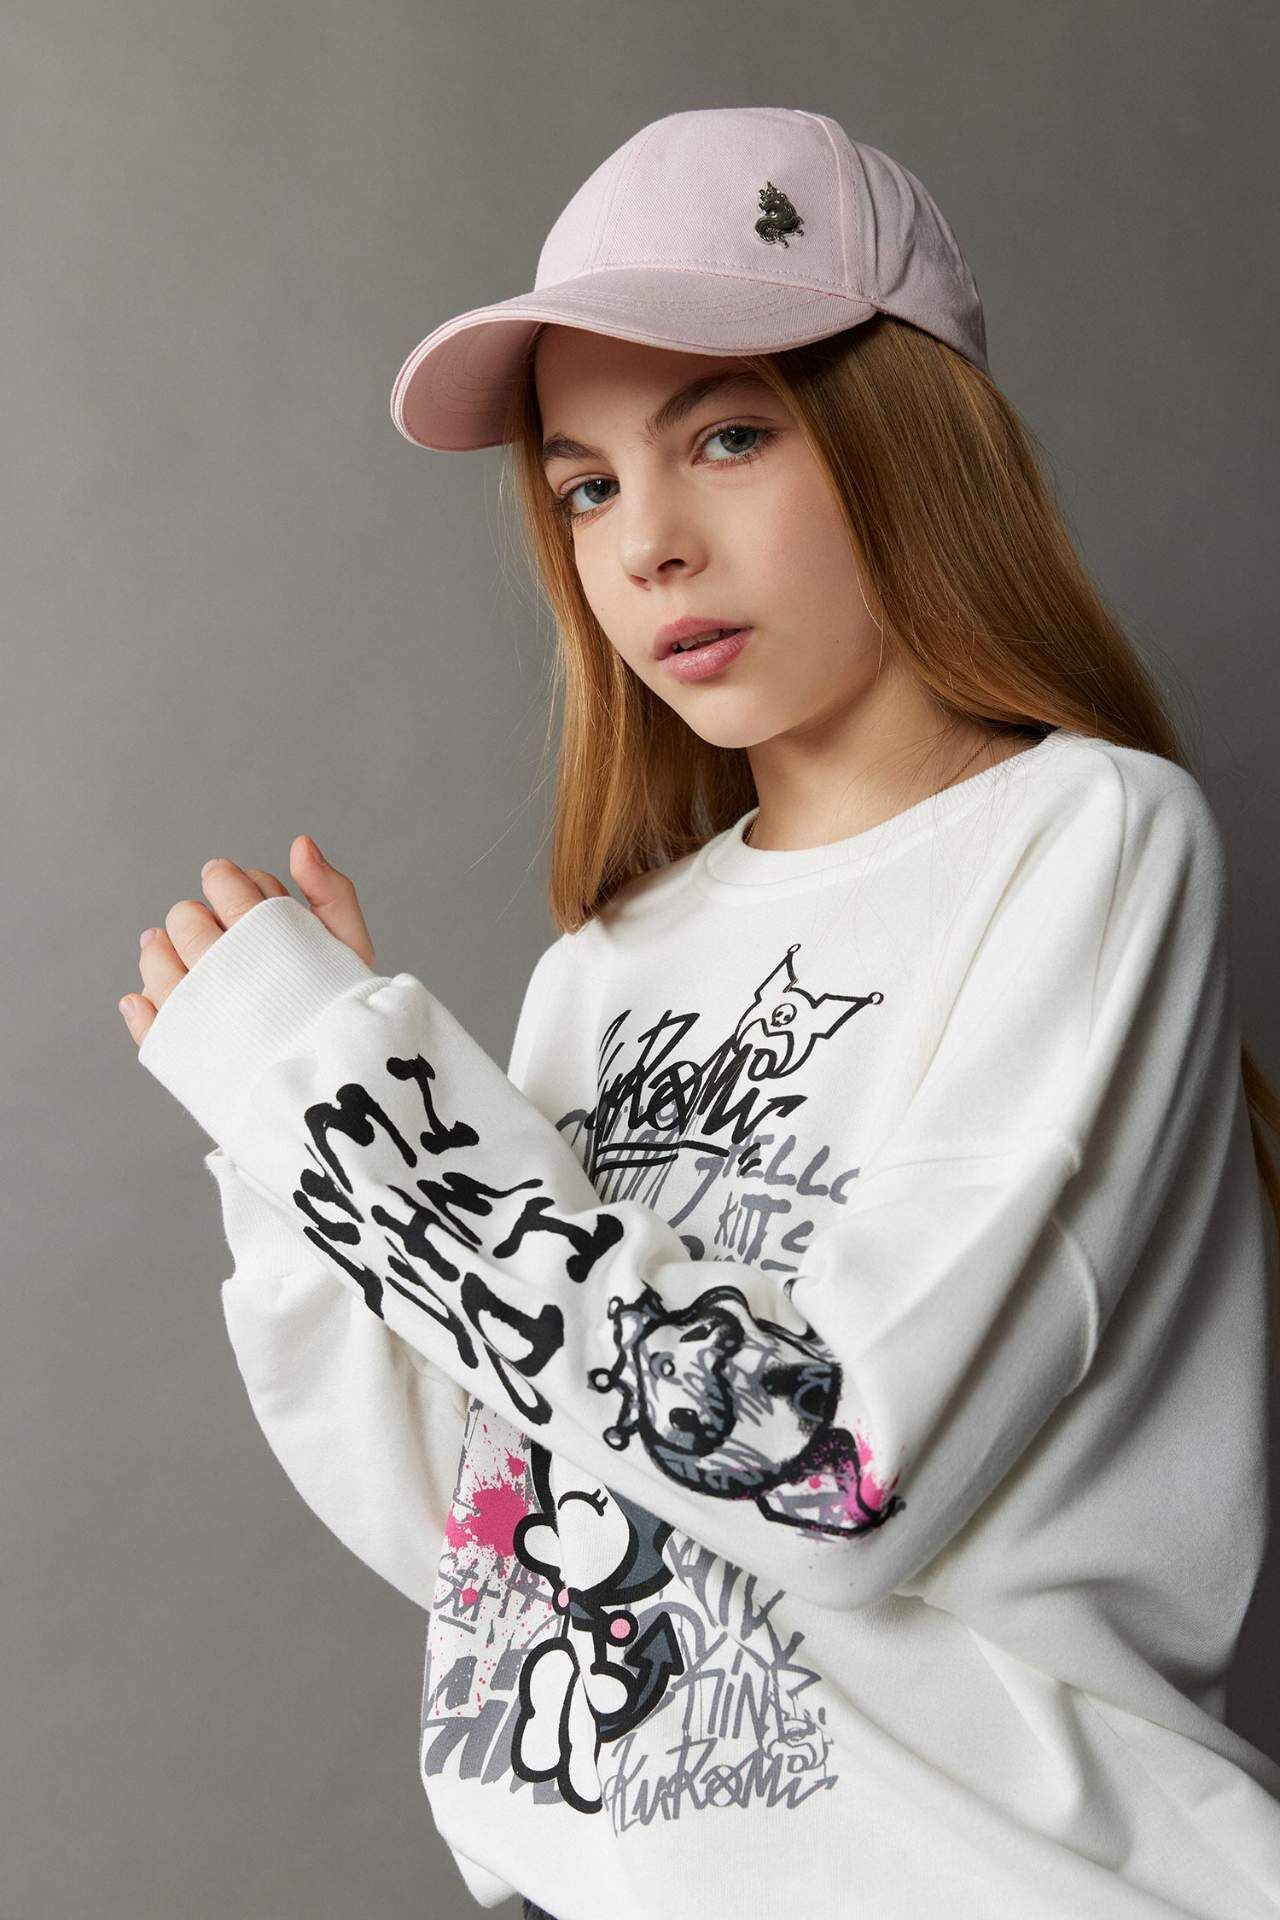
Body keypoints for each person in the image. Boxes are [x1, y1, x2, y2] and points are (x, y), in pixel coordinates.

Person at [120, 108, 1280, 1918]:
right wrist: (299, 1151)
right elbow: (489, 1544)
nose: (647, 545)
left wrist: (365, 1114)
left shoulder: (1089, 840)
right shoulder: (609, 962)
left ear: (908, 439)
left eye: (728, 437)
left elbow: (836, 1468)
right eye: (586, 486)